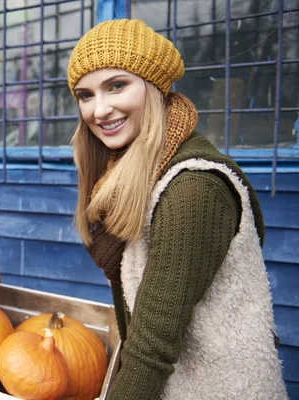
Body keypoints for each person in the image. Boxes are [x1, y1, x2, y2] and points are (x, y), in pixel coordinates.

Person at [67, 19, 288, 399]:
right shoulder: (128, 174)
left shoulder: (193, 188)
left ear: (154, 86)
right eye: (86, 95)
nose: (99, 110)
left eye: (117, 85)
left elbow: (150, 350)